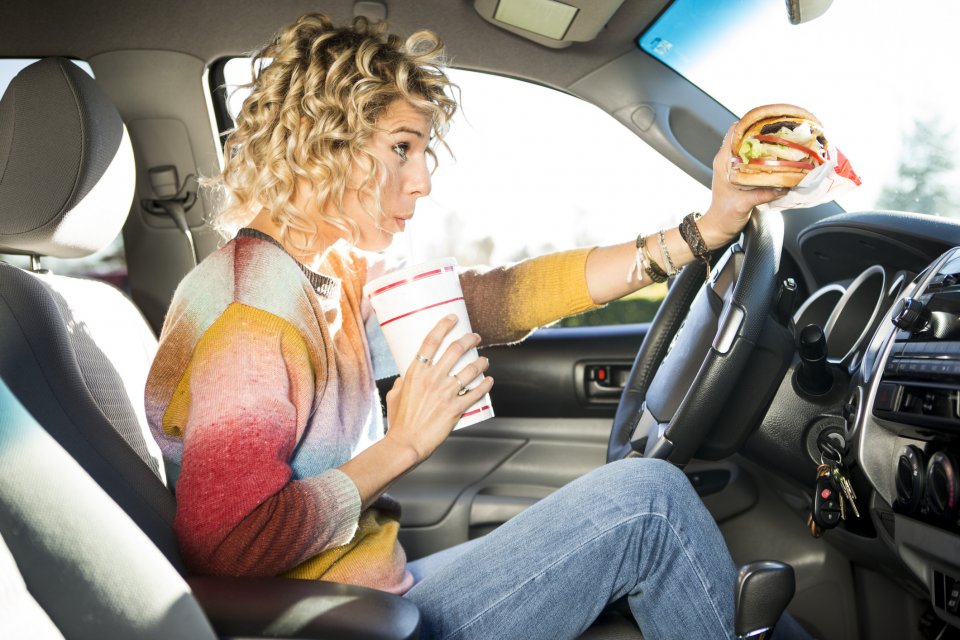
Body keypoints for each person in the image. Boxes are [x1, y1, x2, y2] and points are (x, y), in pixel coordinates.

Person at [144, 13, 803, 640]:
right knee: (651, 505)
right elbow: (228, 543)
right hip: (349, 623)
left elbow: (500, 299)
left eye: (424, 151)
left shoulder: (322, 273)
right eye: (402, 148)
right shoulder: (252, 318)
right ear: (322, 143)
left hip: (373, 593)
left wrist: (702, 233)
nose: (424, 180)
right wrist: (400, 447)